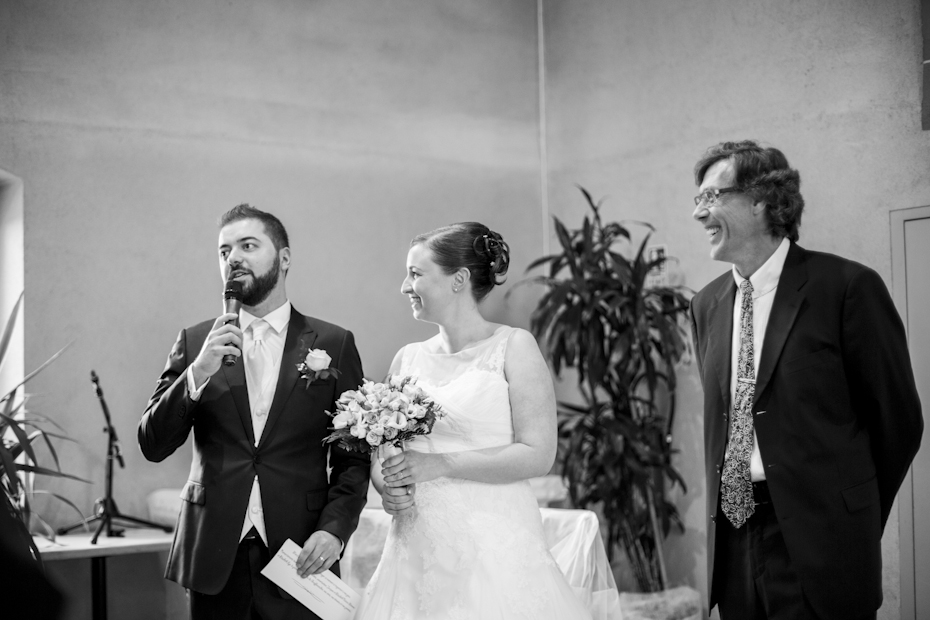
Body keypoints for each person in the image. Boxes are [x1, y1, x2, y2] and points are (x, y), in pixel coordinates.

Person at [689, 141, 923, 620]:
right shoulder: (705, 305)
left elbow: (898, 423)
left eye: (712, 197)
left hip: (823, 544)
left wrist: (849, 518)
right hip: (734, 541)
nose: (699, 213)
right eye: (698, 199)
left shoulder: (846, 287)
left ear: (761, 200)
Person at [138, 204, 369, 620]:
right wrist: (197, 373)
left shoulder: (333, 343)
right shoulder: (195, 342)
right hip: (214, 556)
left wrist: (334, 530)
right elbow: (152, 445)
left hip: (300, 553)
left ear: (284, 258)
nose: (233, 258)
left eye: (248, 246)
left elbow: (353, 458)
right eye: (224, 251)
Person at [354, 223, 594, 620]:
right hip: (416, 545)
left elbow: (538, 454)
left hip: (492, 544)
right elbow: (386, 453)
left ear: (458, 279)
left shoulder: (514, 347)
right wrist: (388, 486)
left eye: (415, 274)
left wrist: (441, 464)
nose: (404, 286)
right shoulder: (407, 358)